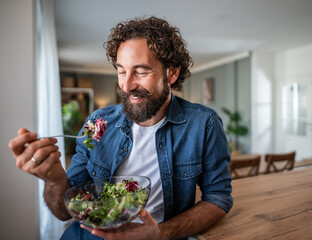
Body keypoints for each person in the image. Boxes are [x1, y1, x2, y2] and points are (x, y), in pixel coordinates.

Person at [8, 16, 233, 240]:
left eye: (141, 71)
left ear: (171, 73)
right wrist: (54, 180)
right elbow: (63, 212)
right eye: (121, 70)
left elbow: (218, 198)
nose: (126, 86)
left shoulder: (204, 124)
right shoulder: (96, 123)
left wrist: (161, 233)